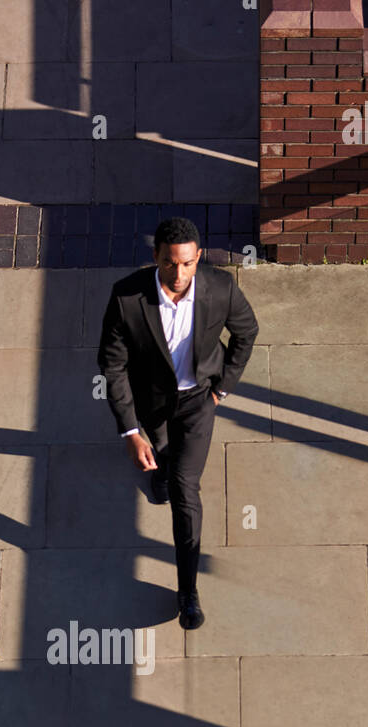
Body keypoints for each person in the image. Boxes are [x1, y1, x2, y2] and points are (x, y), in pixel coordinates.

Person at [97, 215, 259, 629]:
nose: (179, 273)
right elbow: (113, 367)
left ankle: (188, 591)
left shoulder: (220, 288)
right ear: (156, 258)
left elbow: (247, 332)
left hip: (199, 401)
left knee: (186, 493)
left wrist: (223, 388)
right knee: (162, 451)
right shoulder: (126, 297)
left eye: (187, 263)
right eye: (170, 263)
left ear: (198, 257)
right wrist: (131, 432)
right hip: (151, 402)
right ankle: (163, 465)